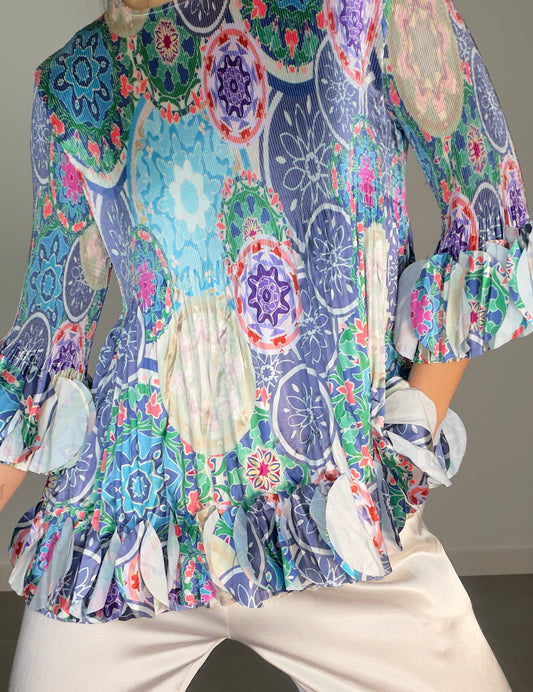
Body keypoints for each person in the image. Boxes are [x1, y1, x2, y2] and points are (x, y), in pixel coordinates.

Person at [2, 0, 531, 689]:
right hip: (127, 540)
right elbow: (45, 346)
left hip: (334, 516)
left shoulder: (367, 11)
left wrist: (405, 445)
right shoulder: (76, 83)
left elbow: (486, 210)